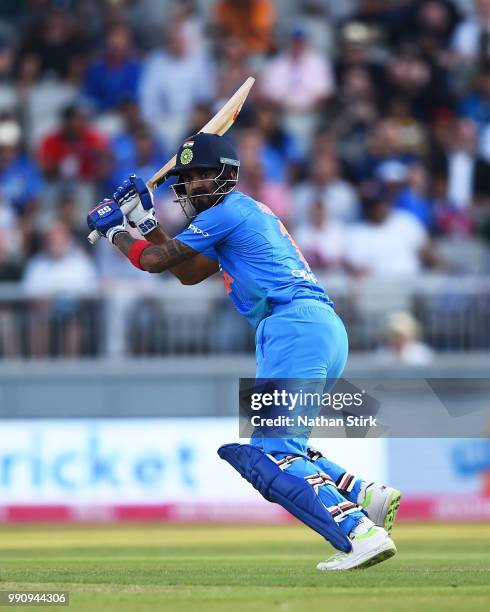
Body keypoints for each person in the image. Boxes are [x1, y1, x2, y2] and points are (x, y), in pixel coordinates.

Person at [87, 133, 401, 571]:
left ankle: (359, 531)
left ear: (228, 176)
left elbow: (156, 262)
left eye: (202, 175)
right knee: (282, 444)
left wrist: (116, 230)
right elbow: (188, 273)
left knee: (272, 452)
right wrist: (141, 220)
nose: (194, 184)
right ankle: (364, 495)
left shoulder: (229, 210)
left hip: (293, 328)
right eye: (188, 178)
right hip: (318, 329)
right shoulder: (236, 216)